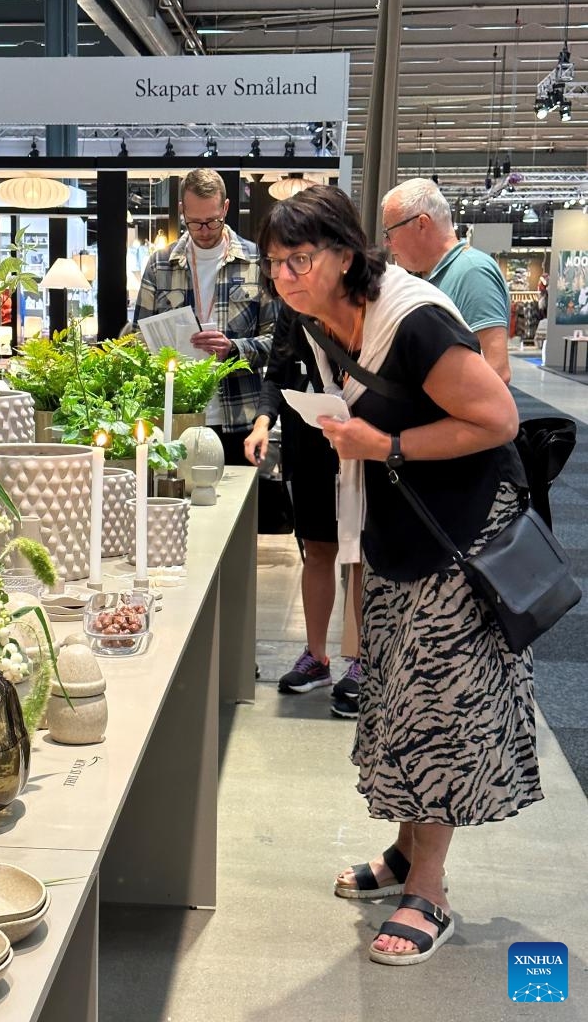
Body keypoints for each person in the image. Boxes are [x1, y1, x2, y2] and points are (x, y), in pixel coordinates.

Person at [257, 185, 540, 966]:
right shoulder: (320, 319)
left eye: (299, 259)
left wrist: (381, 448)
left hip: (458, 532)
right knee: (392, 692)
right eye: (274, 262)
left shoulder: (411, 318)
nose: (284, 275)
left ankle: (432, 892)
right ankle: (404, 854)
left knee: (436, 710)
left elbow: (497, 420)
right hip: (400, 523)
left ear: (347, 255)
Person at [244, 306, 362, 717]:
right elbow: (276, 373)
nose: (287, 273)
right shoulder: (292, 308)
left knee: (361, 554)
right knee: (317, 547)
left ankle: (363, 660)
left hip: (361, 438)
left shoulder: (362, 298)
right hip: (308, 441)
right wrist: (262, 423)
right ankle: (316, 657)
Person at [132, 167, 277, 465]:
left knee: (237, 507)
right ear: (182, 210)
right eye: (195, 222)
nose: (204, 230)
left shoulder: (255, 261)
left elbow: (278, 343)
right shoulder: (160, 265)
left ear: (225, 207)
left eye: (213, 221)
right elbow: (136, 339)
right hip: (176, 416)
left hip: (238, 418)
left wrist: (234, 349)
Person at [380, 178, 512, 384]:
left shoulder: (472, 272)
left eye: (389, 232)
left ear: (422, 223)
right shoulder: (422, 277)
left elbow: (497, 372)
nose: (386, 243)